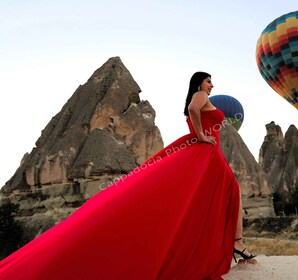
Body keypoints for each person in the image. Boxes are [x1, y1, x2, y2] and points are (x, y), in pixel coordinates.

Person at [0, 71, 254, 279]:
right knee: (229, 188)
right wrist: (200, 135)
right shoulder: (199, 94)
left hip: (208, 150)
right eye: (209, 81)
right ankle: (236, 242)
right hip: (205, 150)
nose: (212, 85)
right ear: (200, 81)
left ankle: (232, 242)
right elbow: (193, 108)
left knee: (224, 190)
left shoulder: (203, 96)